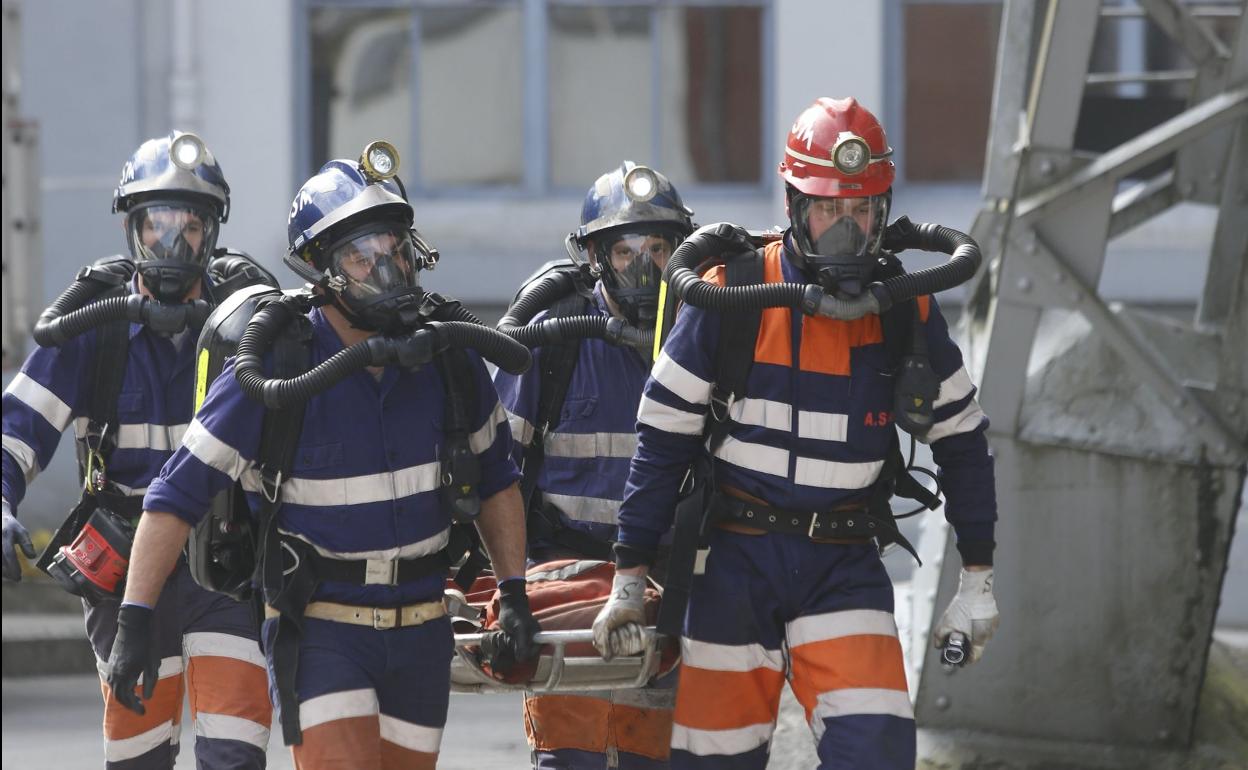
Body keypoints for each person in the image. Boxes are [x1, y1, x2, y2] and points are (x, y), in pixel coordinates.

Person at [591, 97, 1001, 769]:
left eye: (863, 210)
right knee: (710, 761)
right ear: (792, 206)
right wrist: (629, 578)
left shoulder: (906, 307)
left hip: (842, 563)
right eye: (827, 209)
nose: (848, 229)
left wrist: (977, 579)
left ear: (885, 208)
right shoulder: (731, 292)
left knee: (877, 752)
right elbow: (661, 441)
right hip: (731, 562)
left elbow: (962, 441)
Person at [104, 148, 541, 770]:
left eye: (392, 249)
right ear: (321, 271)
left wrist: (515, 593)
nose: (385, 271)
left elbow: (498, 479)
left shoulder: (448, 357)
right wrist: (135, 620)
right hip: (323, 630)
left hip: (422, 624)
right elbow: (174, 498)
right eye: (361, 258)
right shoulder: (277, 365)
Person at [1, 131, 273, 769]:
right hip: (125, 567)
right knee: (138, 758)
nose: (173, 244)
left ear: (213, 232)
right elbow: (17, 429)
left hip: (224, 566)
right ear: (131, 230)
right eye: (157, 226)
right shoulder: (92, 326)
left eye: (190, 227)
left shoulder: (248, 326)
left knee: (235, 753)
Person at [494, 161, 694, 769]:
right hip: (565, 590)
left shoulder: (704, 340)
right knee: (570, 757)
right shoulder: (550, 343)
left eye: (659, 248)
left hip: (668, 591)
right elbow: (490, 474)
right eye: (626, 249)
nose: (644, 266)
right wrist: (508, 596)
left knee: (651, 756)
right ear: (594, 257)